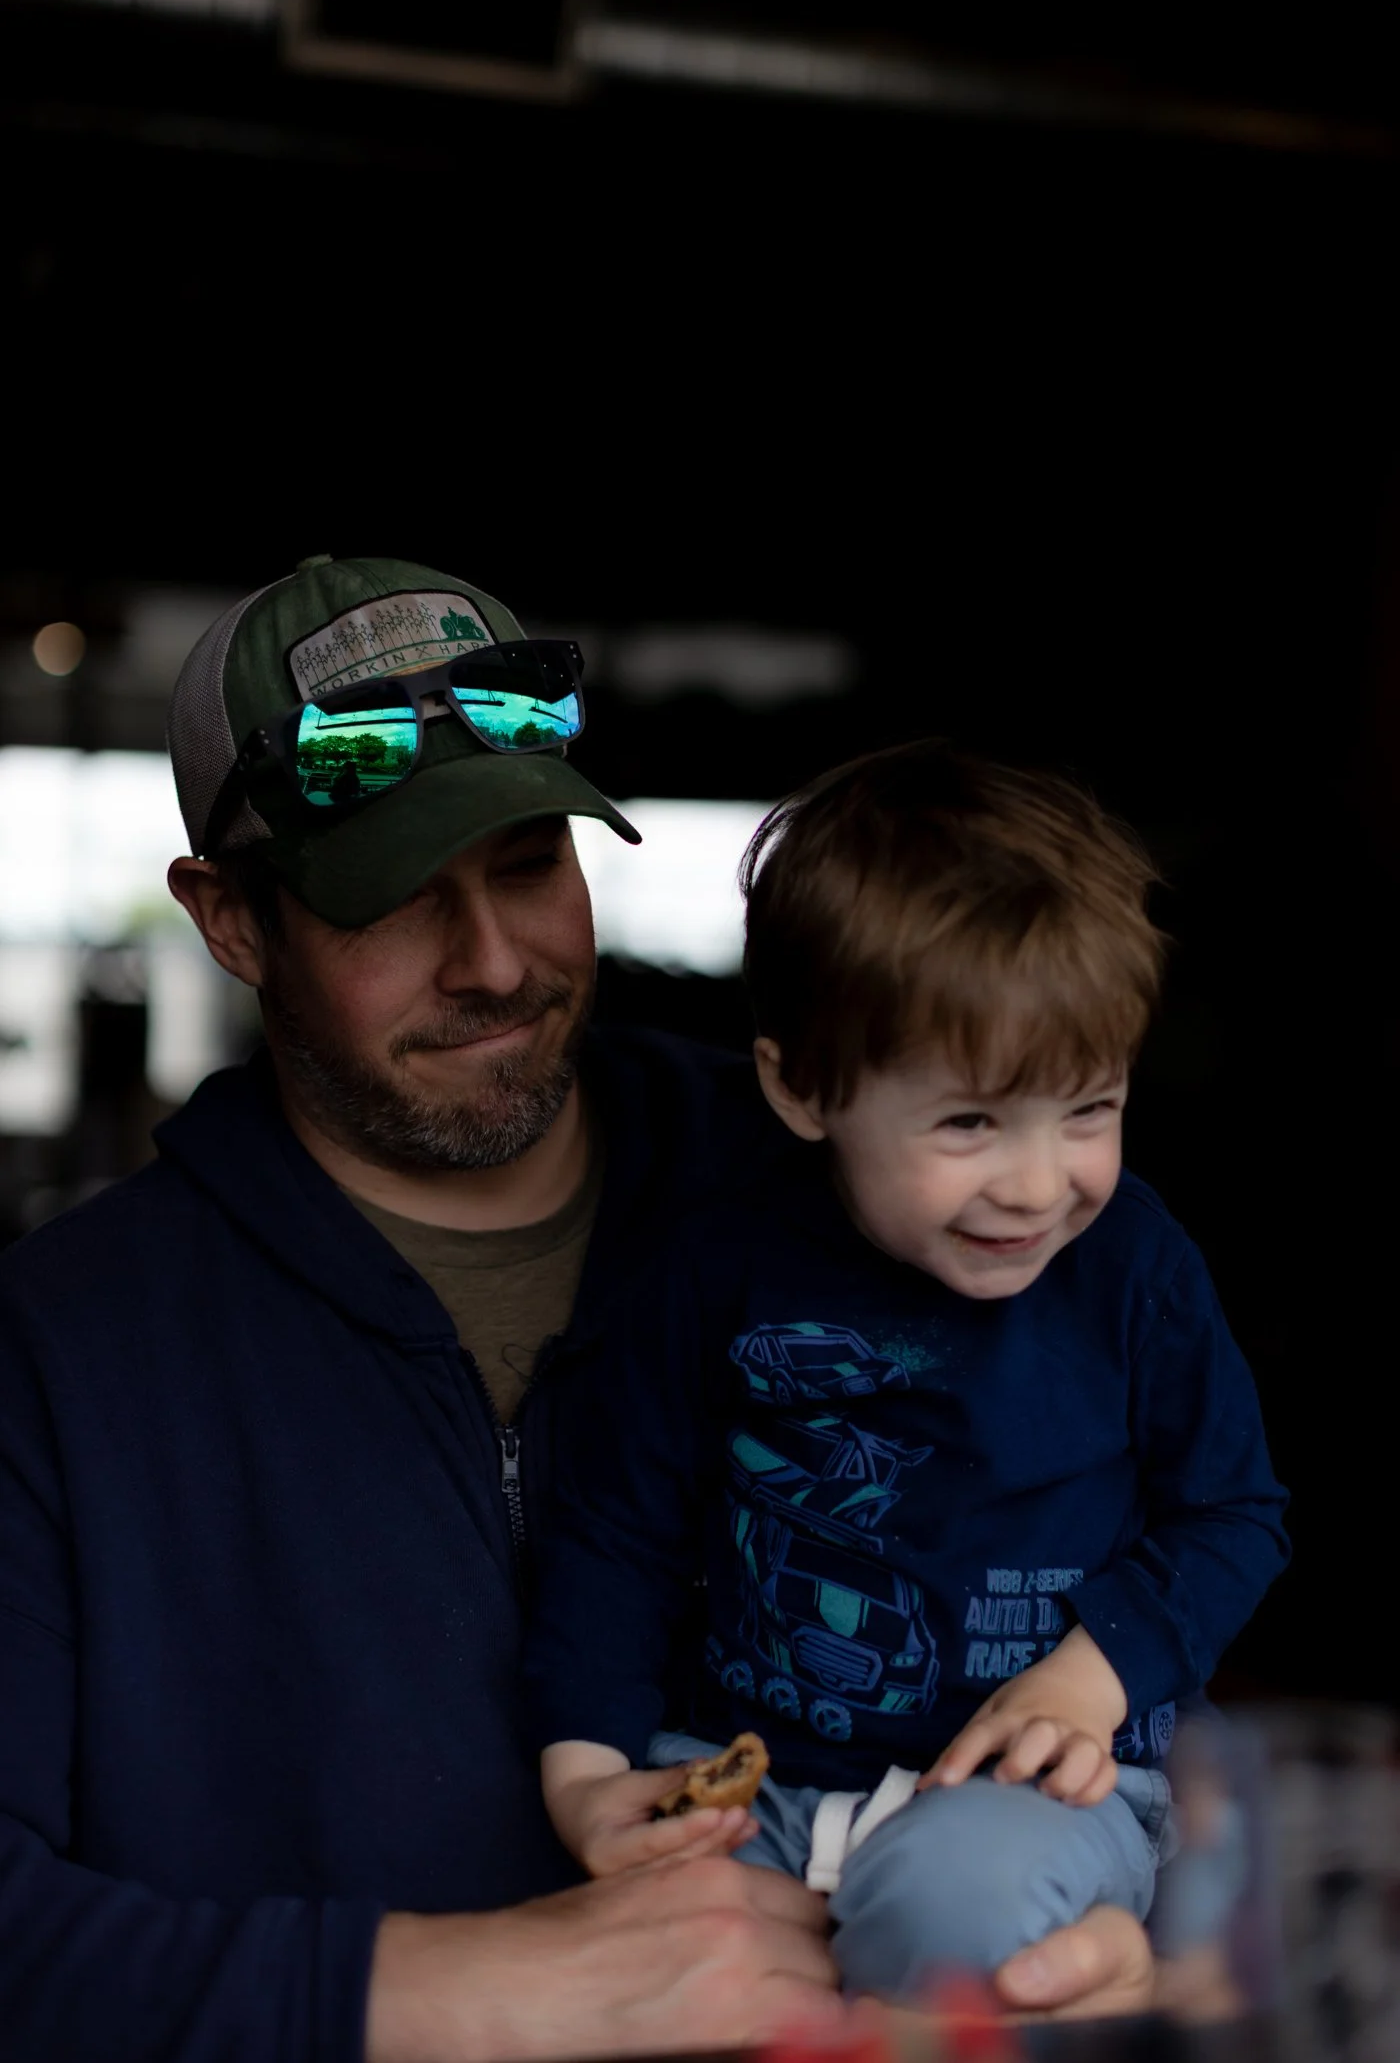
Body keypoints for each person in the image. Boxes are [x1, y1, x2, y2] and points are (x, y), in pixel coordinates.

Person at [0, 558, 1166, 2061]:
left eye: (529, 862)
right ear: (230, 924)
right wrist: (473, 1987)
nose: (495, 962)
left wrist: (1095, 1930)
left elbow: (1120, 1605)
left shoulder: (876, 1197)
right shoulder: (59, 1350)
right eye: (396, 900)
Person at [530, 741, 1291, 1999]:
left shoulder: (1133, 1269)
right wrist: (586, 1779)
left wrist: (1086, 1678)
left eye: (1087, 1109)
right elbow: (617, 1537)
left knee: (950, 1912)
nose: (1040, 1184)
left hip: (1040, 1795)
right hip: (750, 1777)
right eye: (968, 1122)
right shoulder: (713, 1267)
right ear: (799, 1086)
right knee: (630, 1957)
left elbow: (1234, 1514)